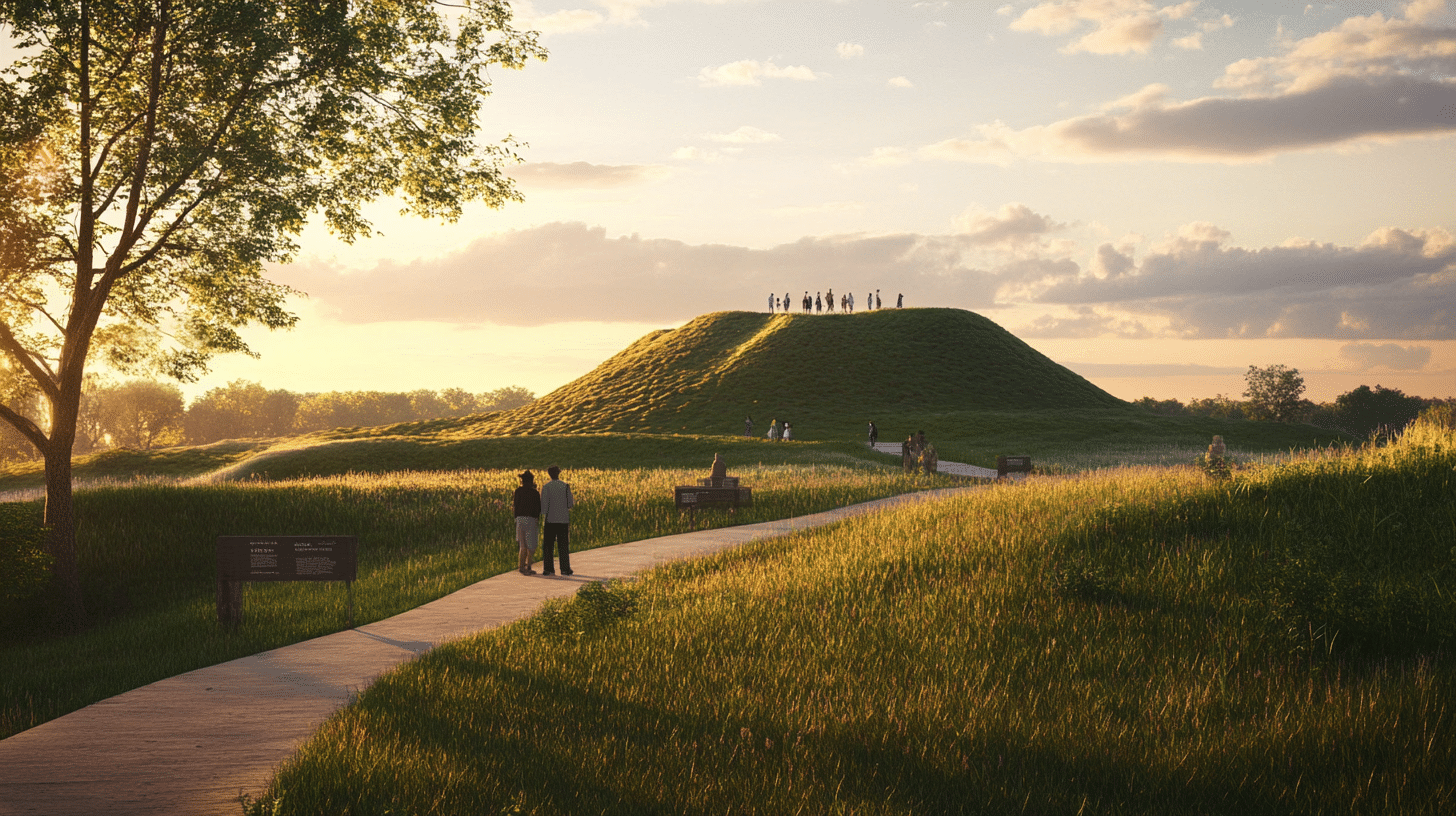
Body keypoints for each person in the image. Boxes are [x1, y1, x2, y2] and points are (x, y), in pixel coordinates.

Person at [539, 465, 575, 576]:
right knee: (563, 545)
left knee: (548, 545)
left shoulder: (546, 487)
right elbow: (570, 504)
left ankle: (548, 569)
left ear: (549, 474)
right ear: (558, 473)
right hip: (563, 519)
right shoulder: (565, 486)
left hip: (550, 520)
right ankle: (565, 568)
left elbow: (543, 508)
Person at [512, 470, 541, 575]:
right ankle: (528, 566)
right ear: (531, 481)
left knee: (522, 545)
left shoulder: (518, 491)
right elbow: (538, 508)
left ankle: (521, 567)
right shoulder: (535, 493)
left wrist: (516, 517)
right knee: (532, 545)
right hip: (531, 519)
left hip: (520, 519)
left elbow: (515, 506)